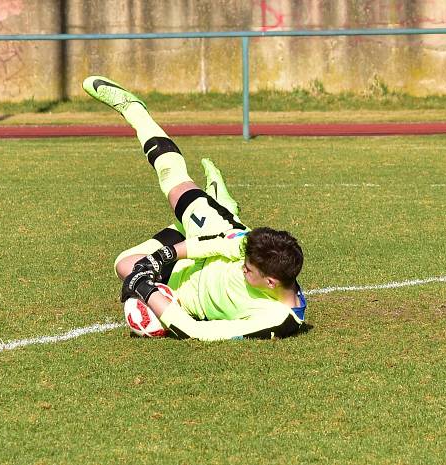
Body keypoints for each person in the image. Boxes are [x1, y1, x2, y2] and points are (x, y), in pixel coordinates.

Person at [83, 76, 307, 341]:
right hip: (217, 231)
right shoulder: (256, 249)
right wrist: (162, 257)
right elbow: (217, 245)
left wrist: (143, 286)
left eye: (246, 270)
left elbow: (193, 331)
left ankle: (218, 206)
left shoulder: (275, 320)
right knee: (173, 182)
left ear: (271, 282)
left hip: (188, 294)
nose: (241, 268)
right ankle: (133, 108)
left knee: (125, 265)